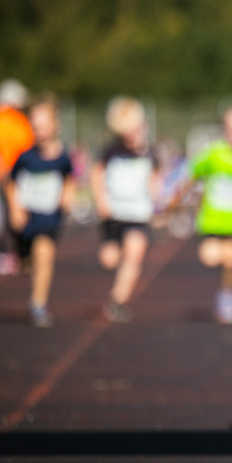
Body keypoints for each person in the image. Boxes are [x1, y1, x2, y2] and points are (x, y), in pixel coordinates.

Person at [177, 102, 232, 324]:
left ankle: (228, 298)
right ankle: (226, 293)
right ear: (225, 129)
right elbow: (191, 176)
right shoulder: (213, 154)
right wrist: (176, 200)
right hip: (212, 222)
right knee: (210, 257)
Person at [6, 95, 75, 328]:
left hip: (49, 217)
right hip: (26, 217)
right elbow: (11, 183)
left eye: (44, 125)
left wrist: (68, 195)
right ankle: (25, 261)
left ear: (56, 125)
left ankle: (38, 305)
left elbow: (69, 179)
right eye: (35, 126)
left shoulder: (63, 158)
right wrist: (15, 208)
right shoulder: (24, 158)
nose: (39, 130)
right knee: (28, 261)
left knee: (45, 256)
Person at [91, 96, 160, 323]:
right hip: (114, 215)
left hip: (138, 215)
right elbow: (96, 175)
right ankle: (119, 288)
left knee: (135, 252)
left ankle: (118, 301)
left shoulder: (151, 154)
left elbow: (155, 180)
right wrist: (101, 200)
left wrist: (157, 201)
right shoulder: (111, 151)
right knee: (109, 259)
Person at [0, 79, 34, 276]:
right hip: (7, 173)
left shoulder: (17, 119)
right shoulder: (1, 118)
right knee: (7, 215)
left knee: (19, 213)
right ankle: (10, 254)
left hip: (22, 172)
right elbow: (0, 150)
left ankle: (22, 254)